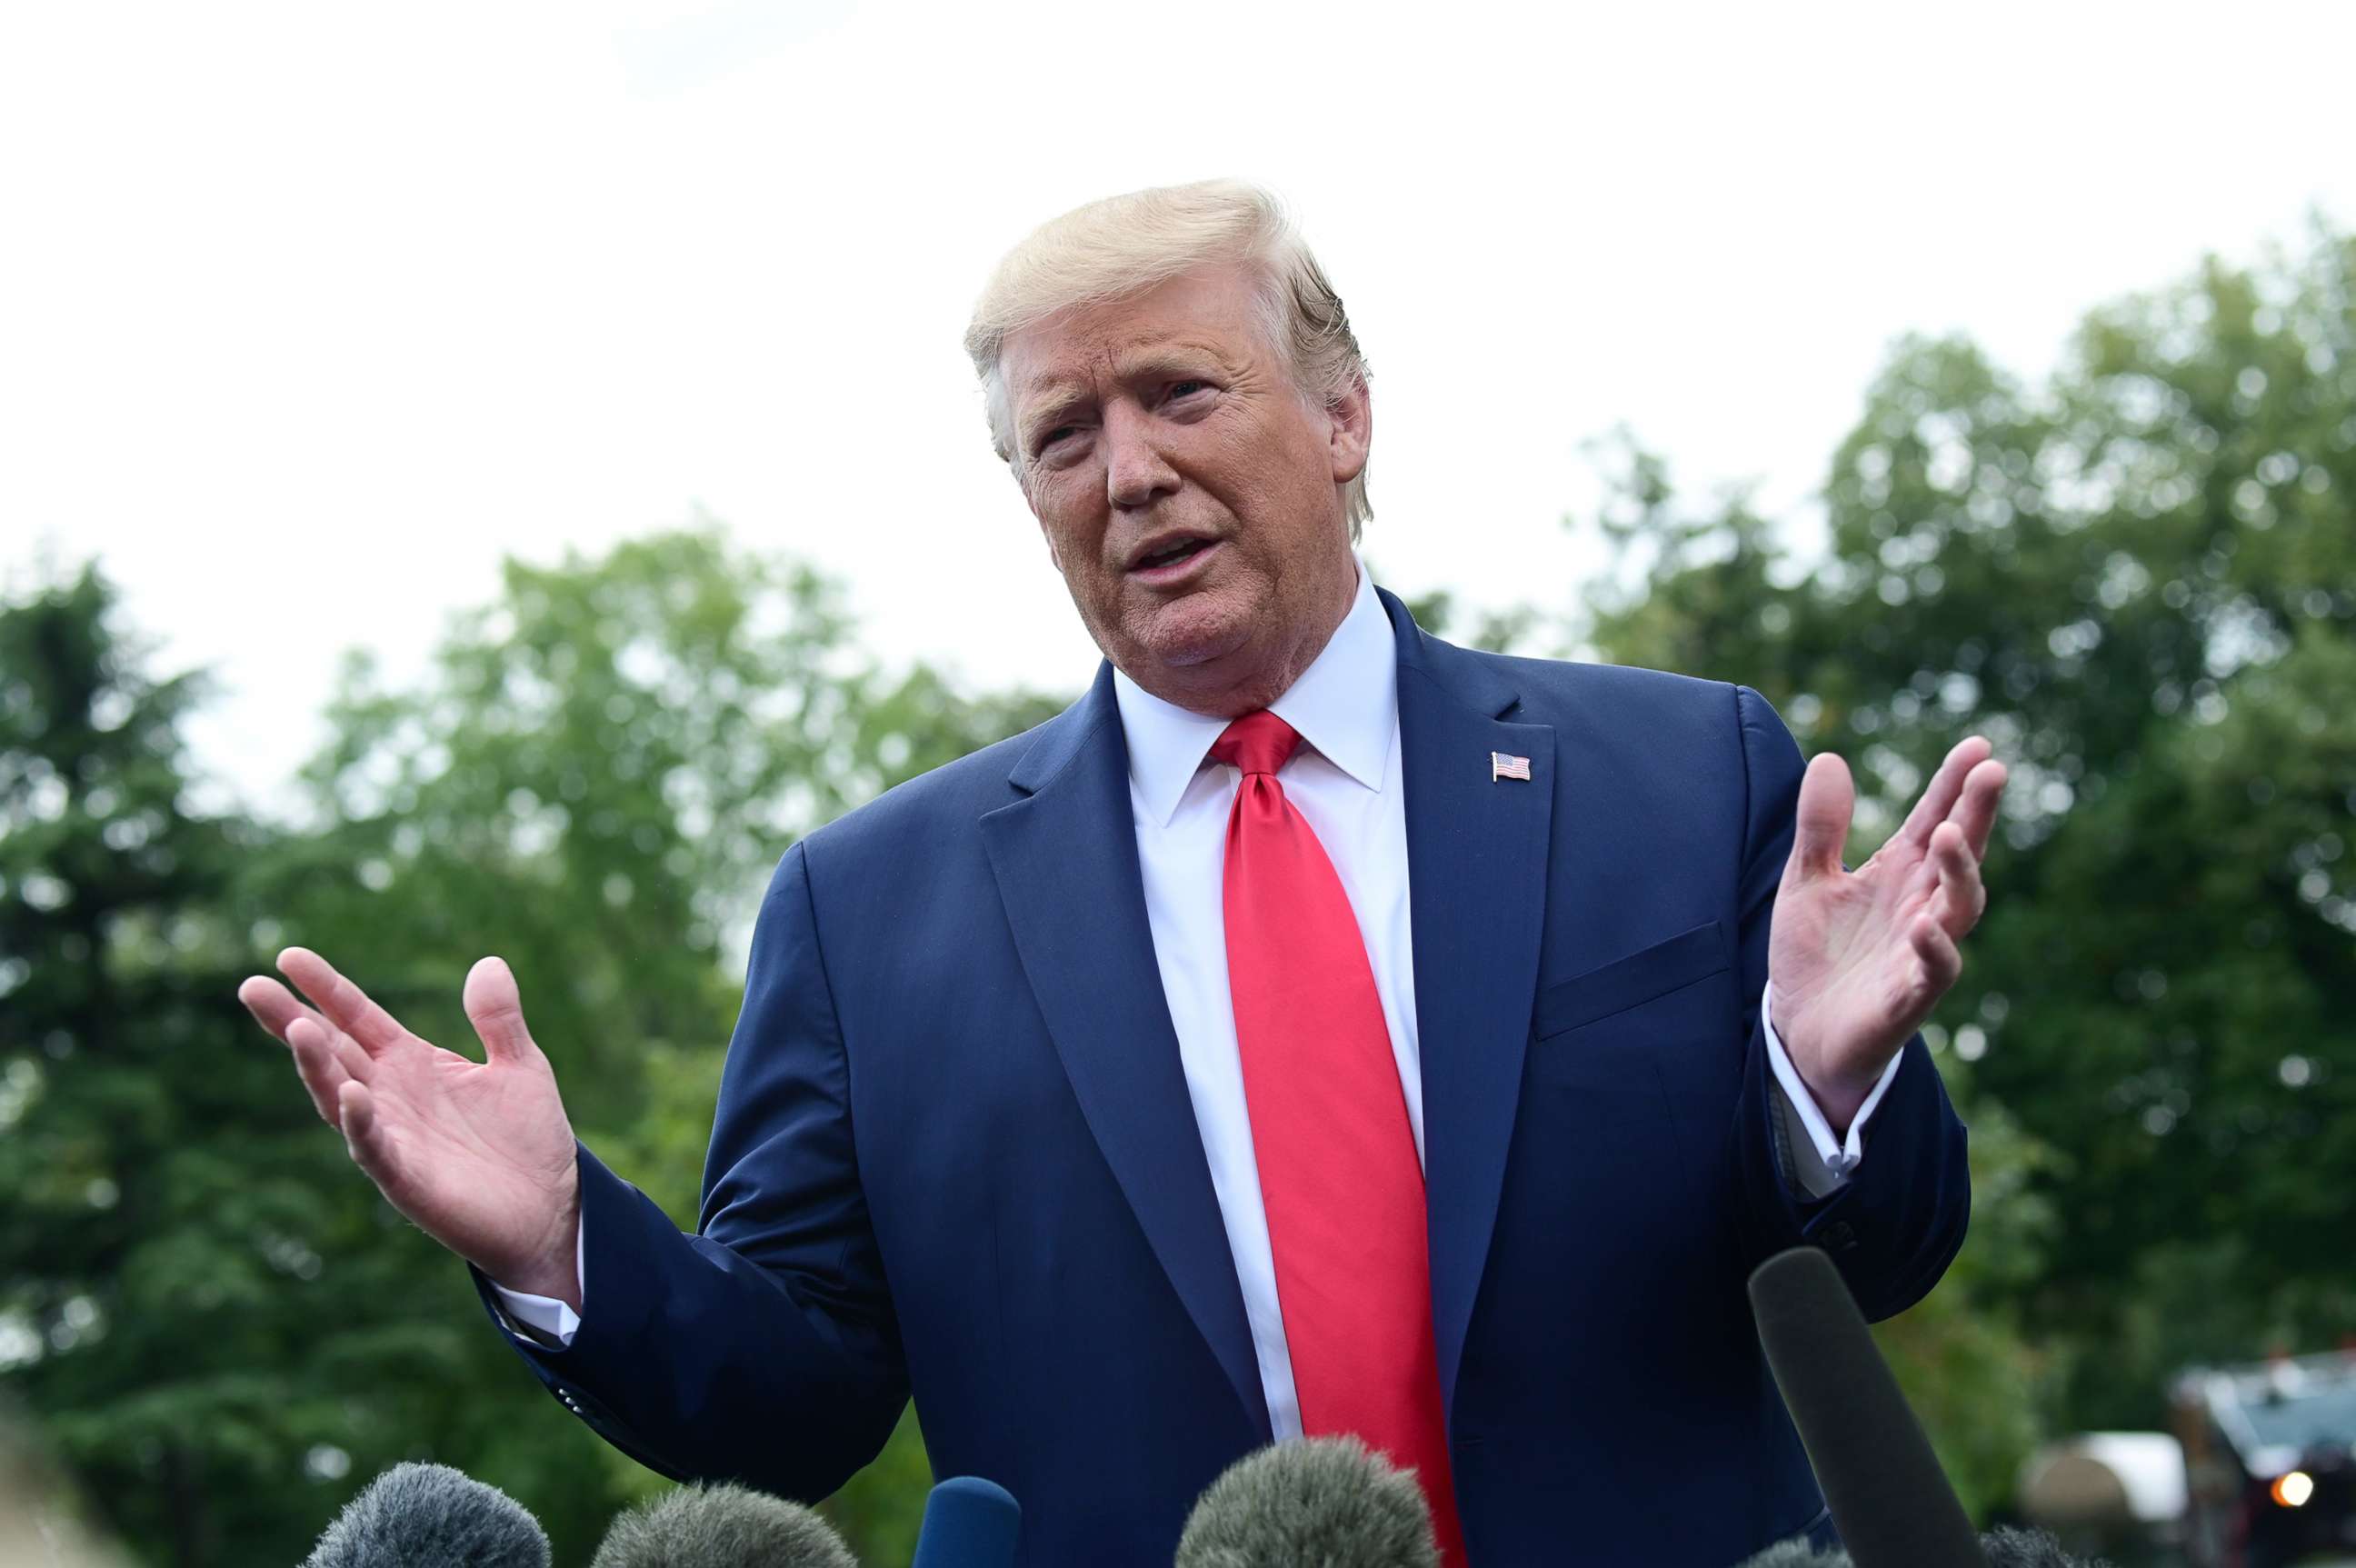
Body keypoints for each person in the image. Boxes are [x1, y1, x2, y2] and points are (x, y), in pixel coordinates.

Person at [238, 180, 2000, 1565]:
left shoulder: (1683, 778)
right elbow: (789, 1409)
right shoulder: (869, 914)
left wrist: (1827, 1092)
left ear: (1342, 415)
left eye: (1180, 392)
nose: (1131, 468)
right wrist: (564, 1241)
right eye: (1064, 432)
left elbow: (1882, 1252)